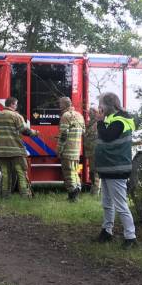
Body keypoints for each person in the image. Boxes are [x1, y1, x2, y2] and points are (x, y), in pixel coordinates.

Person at [90, 92, 137, 248]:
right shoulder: (112, 119)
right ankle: (107, 231)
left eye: (101, 105)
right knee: (107, 203)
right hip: (108, 168)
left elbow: (107, 136)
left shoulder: (120, 121)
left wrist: (100, 122)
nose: (99, 108)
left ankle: (130, 237)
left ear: (107, 105)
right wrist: (101, 122)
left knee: (120, 205)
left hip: (116, 169)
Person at [0, 97, 39, 198]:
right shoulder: (16, 116)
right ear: (12, 104)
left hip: (1, 151)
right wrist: (35, 133)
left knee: (5, 174)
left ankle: (5, 195)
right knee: (21, 172)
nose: (16, 106)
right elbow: (24, 131)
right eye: (16, 104)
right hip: (16, 150)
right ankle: (25, 195)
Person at [57, 97, 85, 202]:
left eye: (60, 104)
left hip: (67, 150)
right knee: (75, 172)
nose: (59, 106)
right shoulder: (79, 115)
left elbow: (64, 135)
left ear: (64, 104)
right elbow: (83, 131)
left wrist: (59, 149)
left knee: (68, 173)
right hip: (76, 150)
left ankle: (73, 196)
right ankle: (77, 190)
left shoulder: (65, 116)